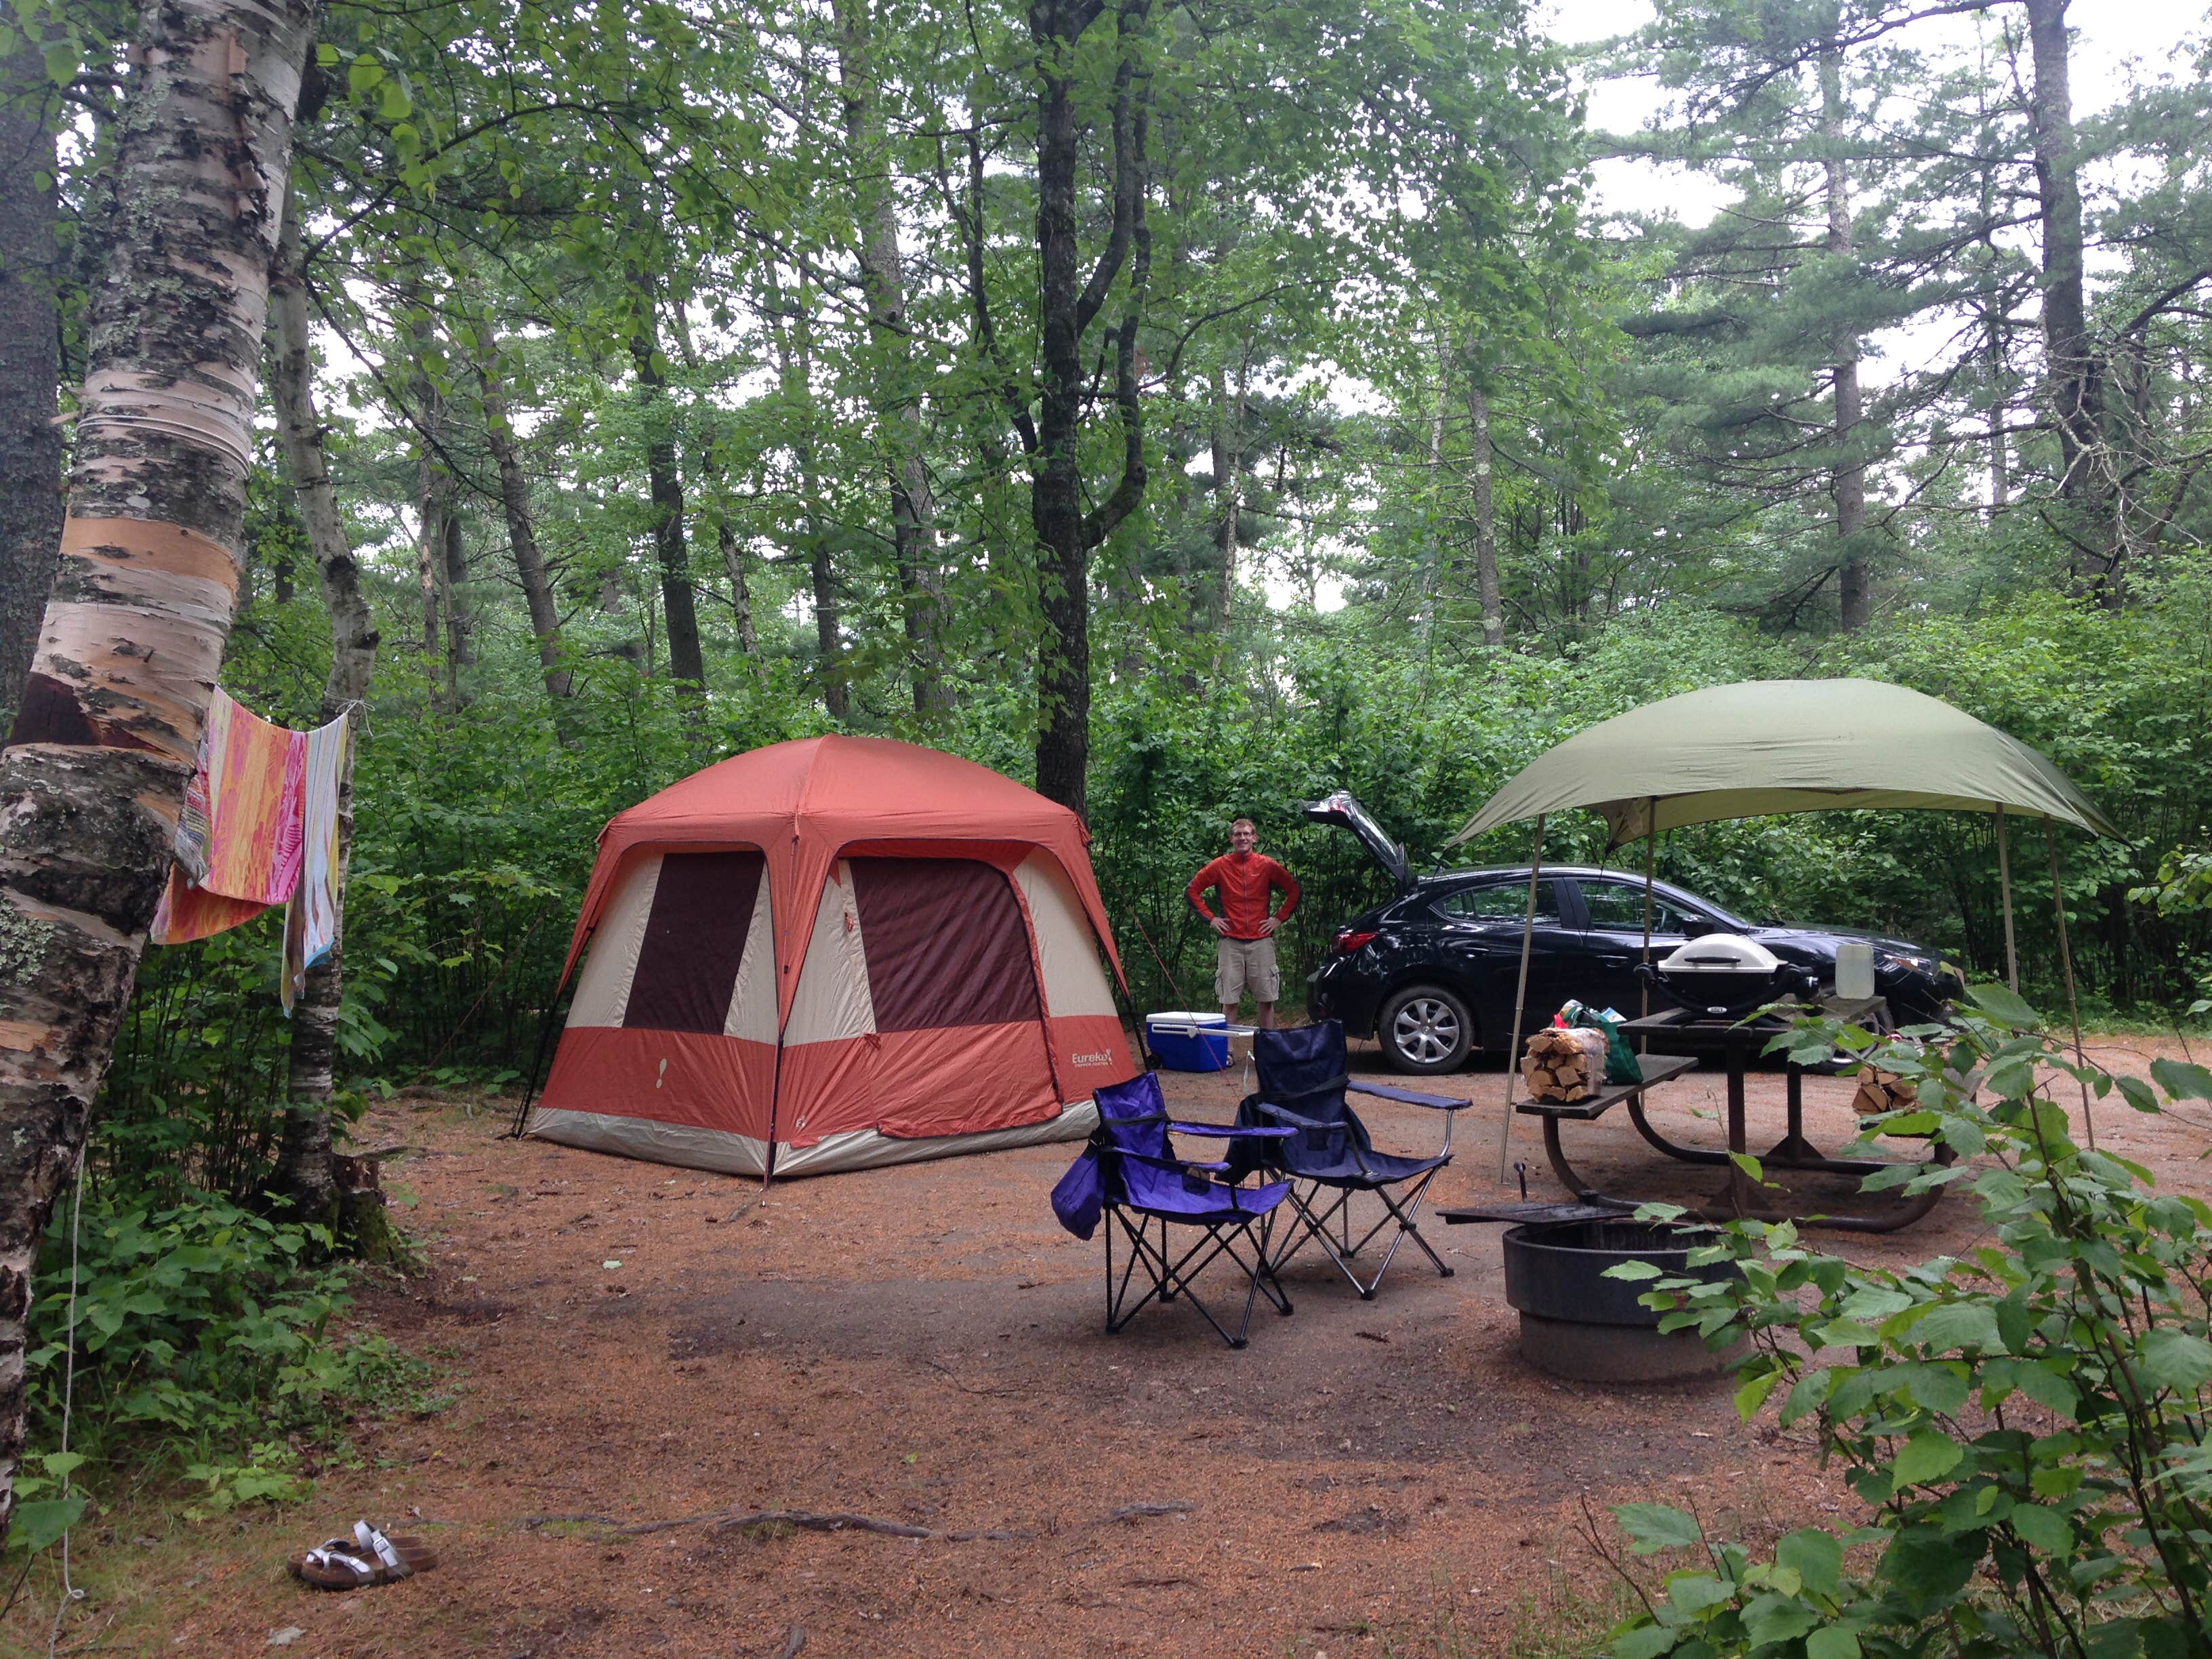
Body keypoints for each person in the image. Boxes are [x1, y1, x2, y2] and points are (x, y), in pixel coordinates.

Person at [1186, 818, 1301, 1029]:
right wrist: (1211, 919)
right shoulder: (1220, 865)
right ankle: (1227, 1051)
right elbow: (1192, 890)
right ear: (1231, 839)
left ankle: (1268, 1049)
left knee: (1266, 1000)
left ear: (1254, 838)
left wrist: (1279, 918)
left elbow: (1294, 889)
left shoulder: (1266, 865)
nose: (1242, 838)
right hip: (1231, 942)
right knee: (1229, 1001)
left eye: (1247, 834)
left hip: (1261, 941)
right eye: (1238, 834)